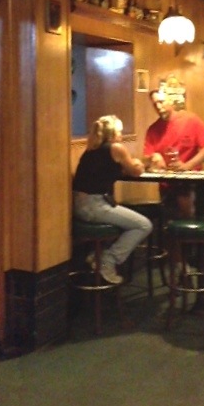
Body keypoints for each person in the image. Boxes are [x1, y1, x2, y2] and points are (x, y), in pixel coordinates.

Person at [73, 115, 153, 285]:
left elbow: (113, 170)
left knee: (127, 221)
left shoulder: (92, 149)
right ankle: (107, 261)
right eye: (119, 132)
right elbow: (135, 171)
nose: (121, 136)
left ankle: (96, 255)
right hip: (95, 206)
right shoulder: (116, 148)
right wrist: (140, 162)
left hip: (80, 206)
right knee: (144, 225)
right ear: (113, 133)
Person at [142, 82, 204, 217]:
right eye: (155, 104)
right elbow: (145, 159)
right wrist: (153, 158)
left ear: (171, 100)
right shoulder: (153, 129)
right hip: (166, 184)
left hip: (190, 182)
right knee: (168, 219)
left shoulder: (190, 120)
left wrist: (187, 166)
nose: (159, 107)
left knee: (186, 213)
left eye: (161, 102)